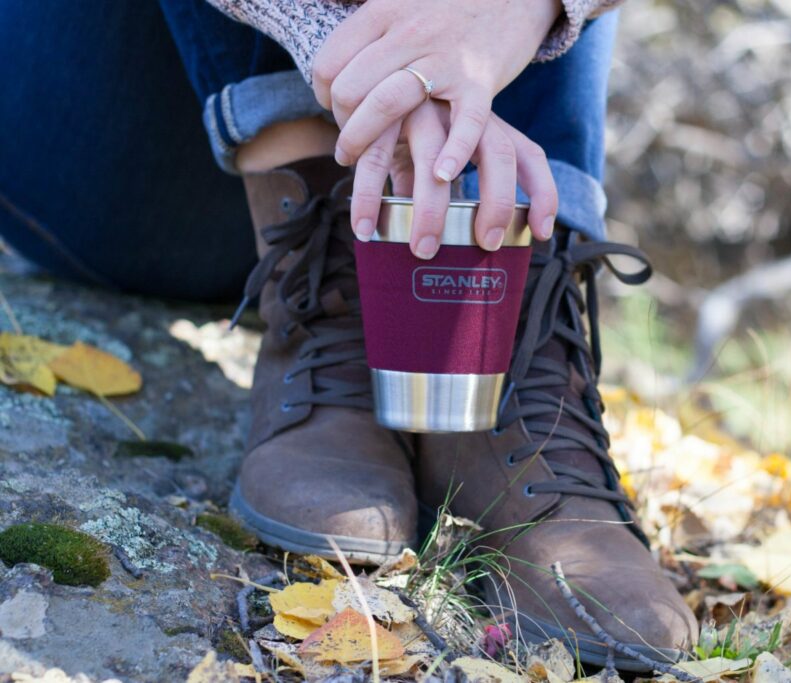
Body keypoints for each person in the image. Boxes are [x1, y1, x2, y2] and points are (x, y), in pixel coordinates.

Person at [0, 0, 697, 668]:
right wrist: (376, 69)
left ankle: (502, 324)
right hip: (115, 134)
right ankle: (329, 264)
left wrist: (516, 12)